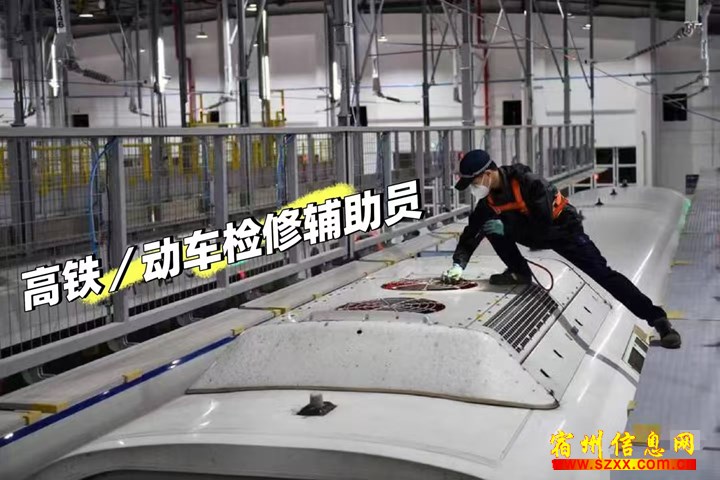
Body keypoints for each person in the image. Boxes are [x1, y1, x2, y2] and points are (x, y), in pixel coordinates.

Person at [441, 149, 681, 349]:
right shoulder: (489, 201)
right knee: (489, 226)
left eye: (474, 182)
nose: (474, 188)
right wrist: (458, 263)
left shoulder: (529, 183)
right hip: (530, 231)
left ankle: (658, 319)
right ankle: (519, 272)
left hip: (563, 230)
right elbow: (471, 232)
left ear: (488, 174)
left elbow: (541, 226)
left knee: (603, 274)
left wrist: (508, 228)